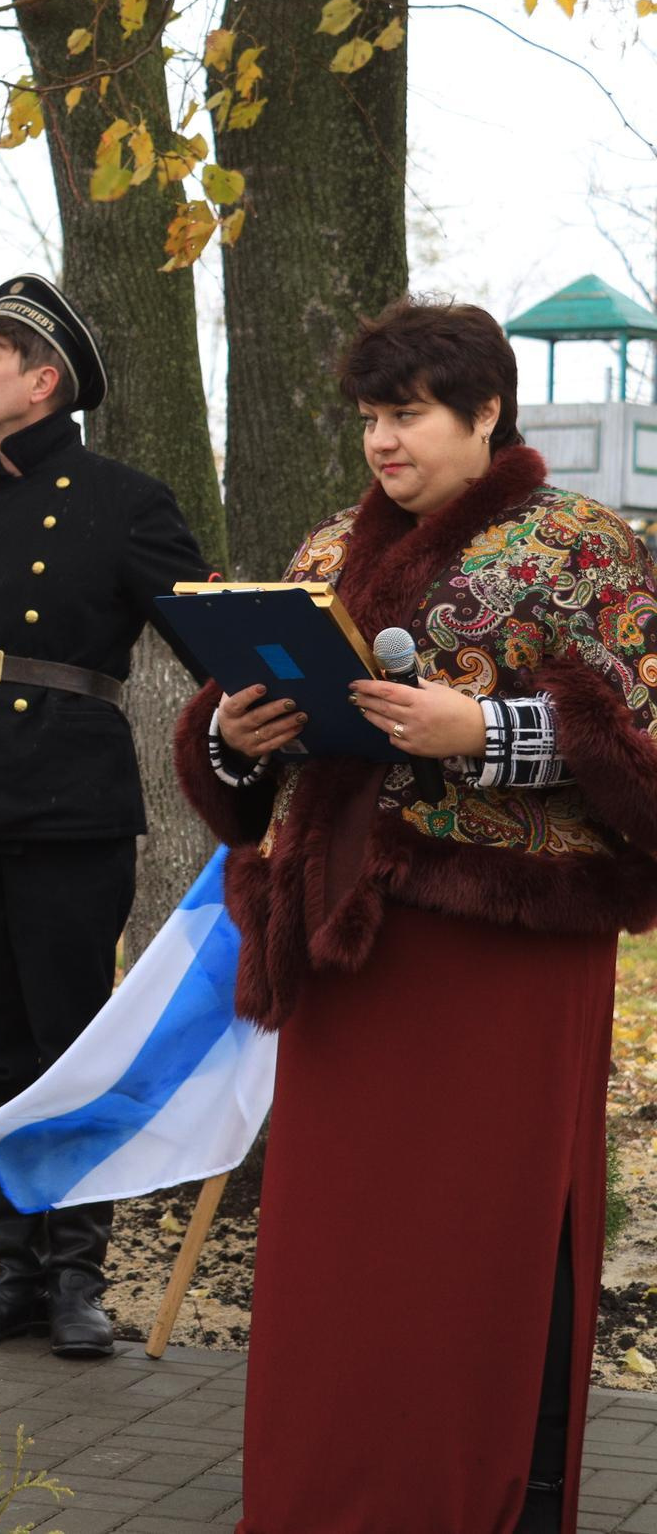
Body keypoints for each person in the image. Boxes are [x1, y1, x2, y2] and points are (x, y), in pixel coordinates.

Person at [178, 300, 657, 1534]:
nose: (382, 442)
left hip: (500, 958)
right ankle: (314, 1503)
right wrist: (234, 738)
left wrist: (485, 734)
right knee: (341, 1266)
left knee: (464, 1256)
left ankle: (463, 1501)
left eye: (408, 415)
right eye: (369, 419)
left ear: (485, 412)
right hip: (342, 950)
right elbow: (248, 763)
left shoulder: (578, 547)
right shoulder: (332, 539)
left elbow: (648, 747)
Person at [0, 273, 210, 1359]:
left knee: (70, 1045)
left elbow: (206, 630)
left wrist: (280, 699)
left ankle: (76, 1274)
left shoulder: (123, 501)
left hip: (69, 805)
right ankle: (9, 1270)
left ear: (41, 378)